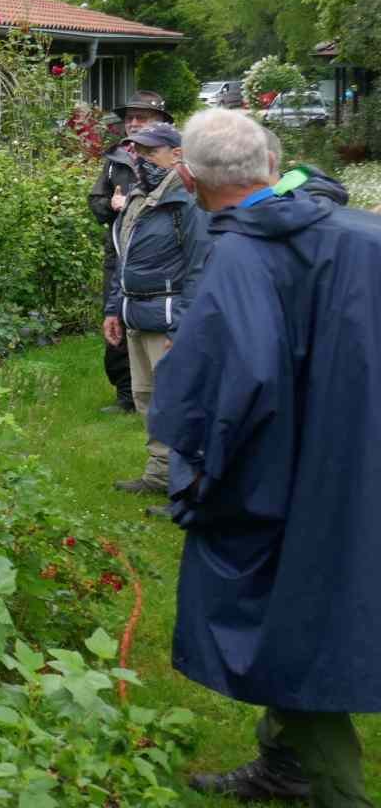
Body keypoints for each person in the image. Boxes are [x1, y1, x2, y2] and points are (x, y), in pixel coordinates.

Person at [151, 108, 381, 805]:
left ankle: (339, 793)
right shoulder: (366, 234)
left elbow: (225, 393)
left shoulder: (240, 258)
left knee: (291, 624)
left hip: (291, 477)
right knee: (323, 610)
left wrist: (197, 481)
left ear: (188, 179)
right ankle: (281, 765)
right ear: (272, 164)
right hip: (361, 461)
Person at [101, 123, 208, 499]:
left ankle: (188, 484)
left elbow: (199, 268)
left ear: (176, 154)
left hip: (167, 318)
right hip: (135, 314)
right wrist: (114, 310)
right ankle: (161, 476)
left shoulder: (188, 202)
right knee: (147, 399)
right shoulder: (137, 197)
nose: (141, 160)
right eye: (138, 153)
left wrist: (182, 327)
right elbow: (123, 258)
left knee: (175, 402)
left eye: (150, 153)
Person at [88, 90, 171, 414]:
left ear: (161, 122)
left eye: (142, 118)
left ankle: (165, 393)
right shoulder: (115, 161)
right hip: (119, 253)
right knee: (116, 319)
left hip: (162, 254)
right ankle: (126, 394)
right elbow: (96, 202)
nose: (133, 124)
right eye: (129, 118)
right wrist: (110, 205)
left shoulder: (173, 156)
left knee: (157, 323)